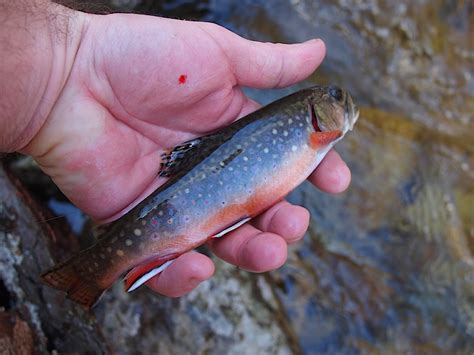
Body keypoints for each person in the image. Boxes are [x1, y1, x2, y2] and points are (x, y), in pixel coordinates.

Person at [0, 1, 351, 297]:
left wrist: (63, 67)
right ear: (315, 117)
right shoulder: (311, 133)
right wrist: (65, 66)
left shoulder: (312, 132)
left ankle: (96, 270)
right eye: (333, 98)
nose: (340, 100)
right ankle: (96, 271)